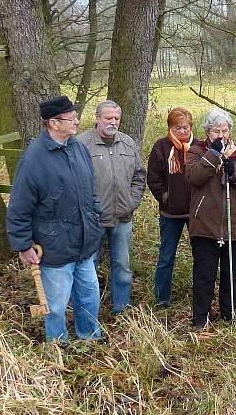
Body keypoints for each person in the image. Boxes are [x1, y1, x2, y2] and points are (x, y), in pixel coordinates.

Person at [7, 96, 104, 342]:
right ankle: (57, 347)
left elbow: (90, 188)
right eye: (70, 119)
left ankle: (89, 339)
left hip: (85, 242)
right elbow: (19, 207)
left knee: (90, 296)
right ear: (53, 123)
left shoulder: (78, 148)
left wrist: (95, 215)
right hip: (54, 246)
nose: (76, 122)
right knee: (56, 305)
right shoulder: (33, 159)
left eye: (75, 117)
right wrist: (23, 245)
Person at [186, 108, 236, 329]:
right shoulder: (197, 151)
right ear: (208, 132)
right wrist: (213, 156)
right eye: (216, 130)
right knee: (204, 273)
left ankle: (229, 312)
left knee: (231, 272)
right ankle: (201, 316)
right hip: (205, 223)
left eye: (224, 130)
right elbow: (193, 177)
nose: (221, 135)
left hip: (234, 222)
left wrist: (235, 173)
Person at [79, 101, 146, 315]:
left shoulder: (128, 143)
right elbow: (73, 181)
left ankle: (121, 308)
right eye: (108, 118)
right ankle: (88, 311)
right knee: (88, 266)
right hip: (92, 219)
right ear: (97, 118)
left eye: (116, 118)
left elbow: (139, 176)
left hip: (122, 218)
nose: (113, 122)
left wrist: (132, 202)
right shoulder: (81, 144)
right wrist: (87, 209)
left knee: (123, 267)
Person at [147, 107, 199, 307]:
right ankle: (162, 298)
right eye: (178, 128)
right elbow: (153, 177)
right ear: (170, 128)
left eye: (186, 128)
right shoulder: (161, 147)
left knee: (200, 256)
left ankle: (199, 295)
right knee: (166, 256)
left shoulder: (199, 146)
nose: (183, 132)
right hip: (170, 213)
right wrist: (164, 196)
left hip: (196, 212)